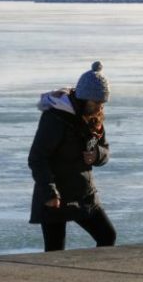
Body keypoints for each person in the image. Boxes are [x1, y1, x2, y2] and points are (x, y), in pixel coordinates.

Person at [28, 61, 117, 252]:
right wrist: (50, 192)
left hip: (84, 192)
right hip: (55, 195)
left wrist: (97, 155)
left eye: (102, 103)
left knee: (107, 235)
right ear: (84, 98)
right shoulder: (55, 118)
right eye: (96, 102)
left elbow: (105, 150)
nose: (99, 107)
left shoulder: (95, 116)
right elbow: (37, 158)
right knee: (55, 253)